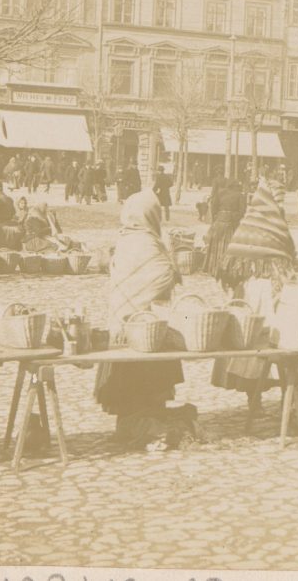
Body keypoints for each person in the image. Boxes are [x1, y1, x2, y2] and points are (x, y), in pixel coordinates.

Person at [94, 190, 184, 447]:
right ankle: (147, 425)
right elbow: (164, 274)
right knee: (149, 379)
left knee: (126, 382)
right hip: (147, 326)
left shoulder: (123, 239)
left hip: (122, 321)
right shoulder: (149, 242)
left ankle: (130, 426)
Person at [213, 183, 295, 404]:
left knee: (253, 341)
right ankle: (283, 395)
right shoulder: (277, 225)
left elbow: (230, 264)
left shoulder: (248, 225)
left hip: (251, 290)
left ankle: (255, 396)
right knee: (276, 342)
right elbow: (289, 254)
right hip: (270, 291)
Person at [203, 179, 246, 279]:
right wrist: (234, 219)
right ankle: (226, 269)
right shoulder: (240, 195)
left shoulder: (220, 193)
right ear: (236, 187)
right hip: (230, 223)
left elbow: (213, 208)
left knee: (215, 245)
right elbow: (242, 211)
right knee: (228, 245)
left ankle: (212, 268)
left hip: (219, 222)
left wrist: (217, 217)